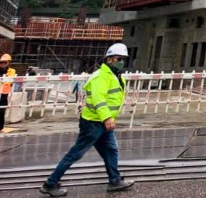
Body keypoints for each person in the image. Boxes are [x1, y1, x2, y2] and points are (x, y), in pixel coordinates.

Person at [39, 43, 135, 196]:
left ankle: (115, 180)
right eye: (119, 58)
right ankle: (50, 183)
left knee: (111, 150)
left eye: (124, 59)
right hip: (93, 122)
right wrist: (107, 117)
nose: (122, 62)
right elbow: (99, 99)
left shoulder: (115, 75)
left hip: (102, 122)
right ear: (109, 59)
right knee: (76, 153)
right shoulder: (100, 76)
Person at [1, 53, 13, 133]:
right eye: (1, 62)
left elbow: (8, 82)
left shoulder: (11, 71)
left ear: (8, 63)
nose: (3, 64)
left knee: (1, 111)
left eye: (5, 62)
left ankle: (0, 127)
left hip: (4, 94)